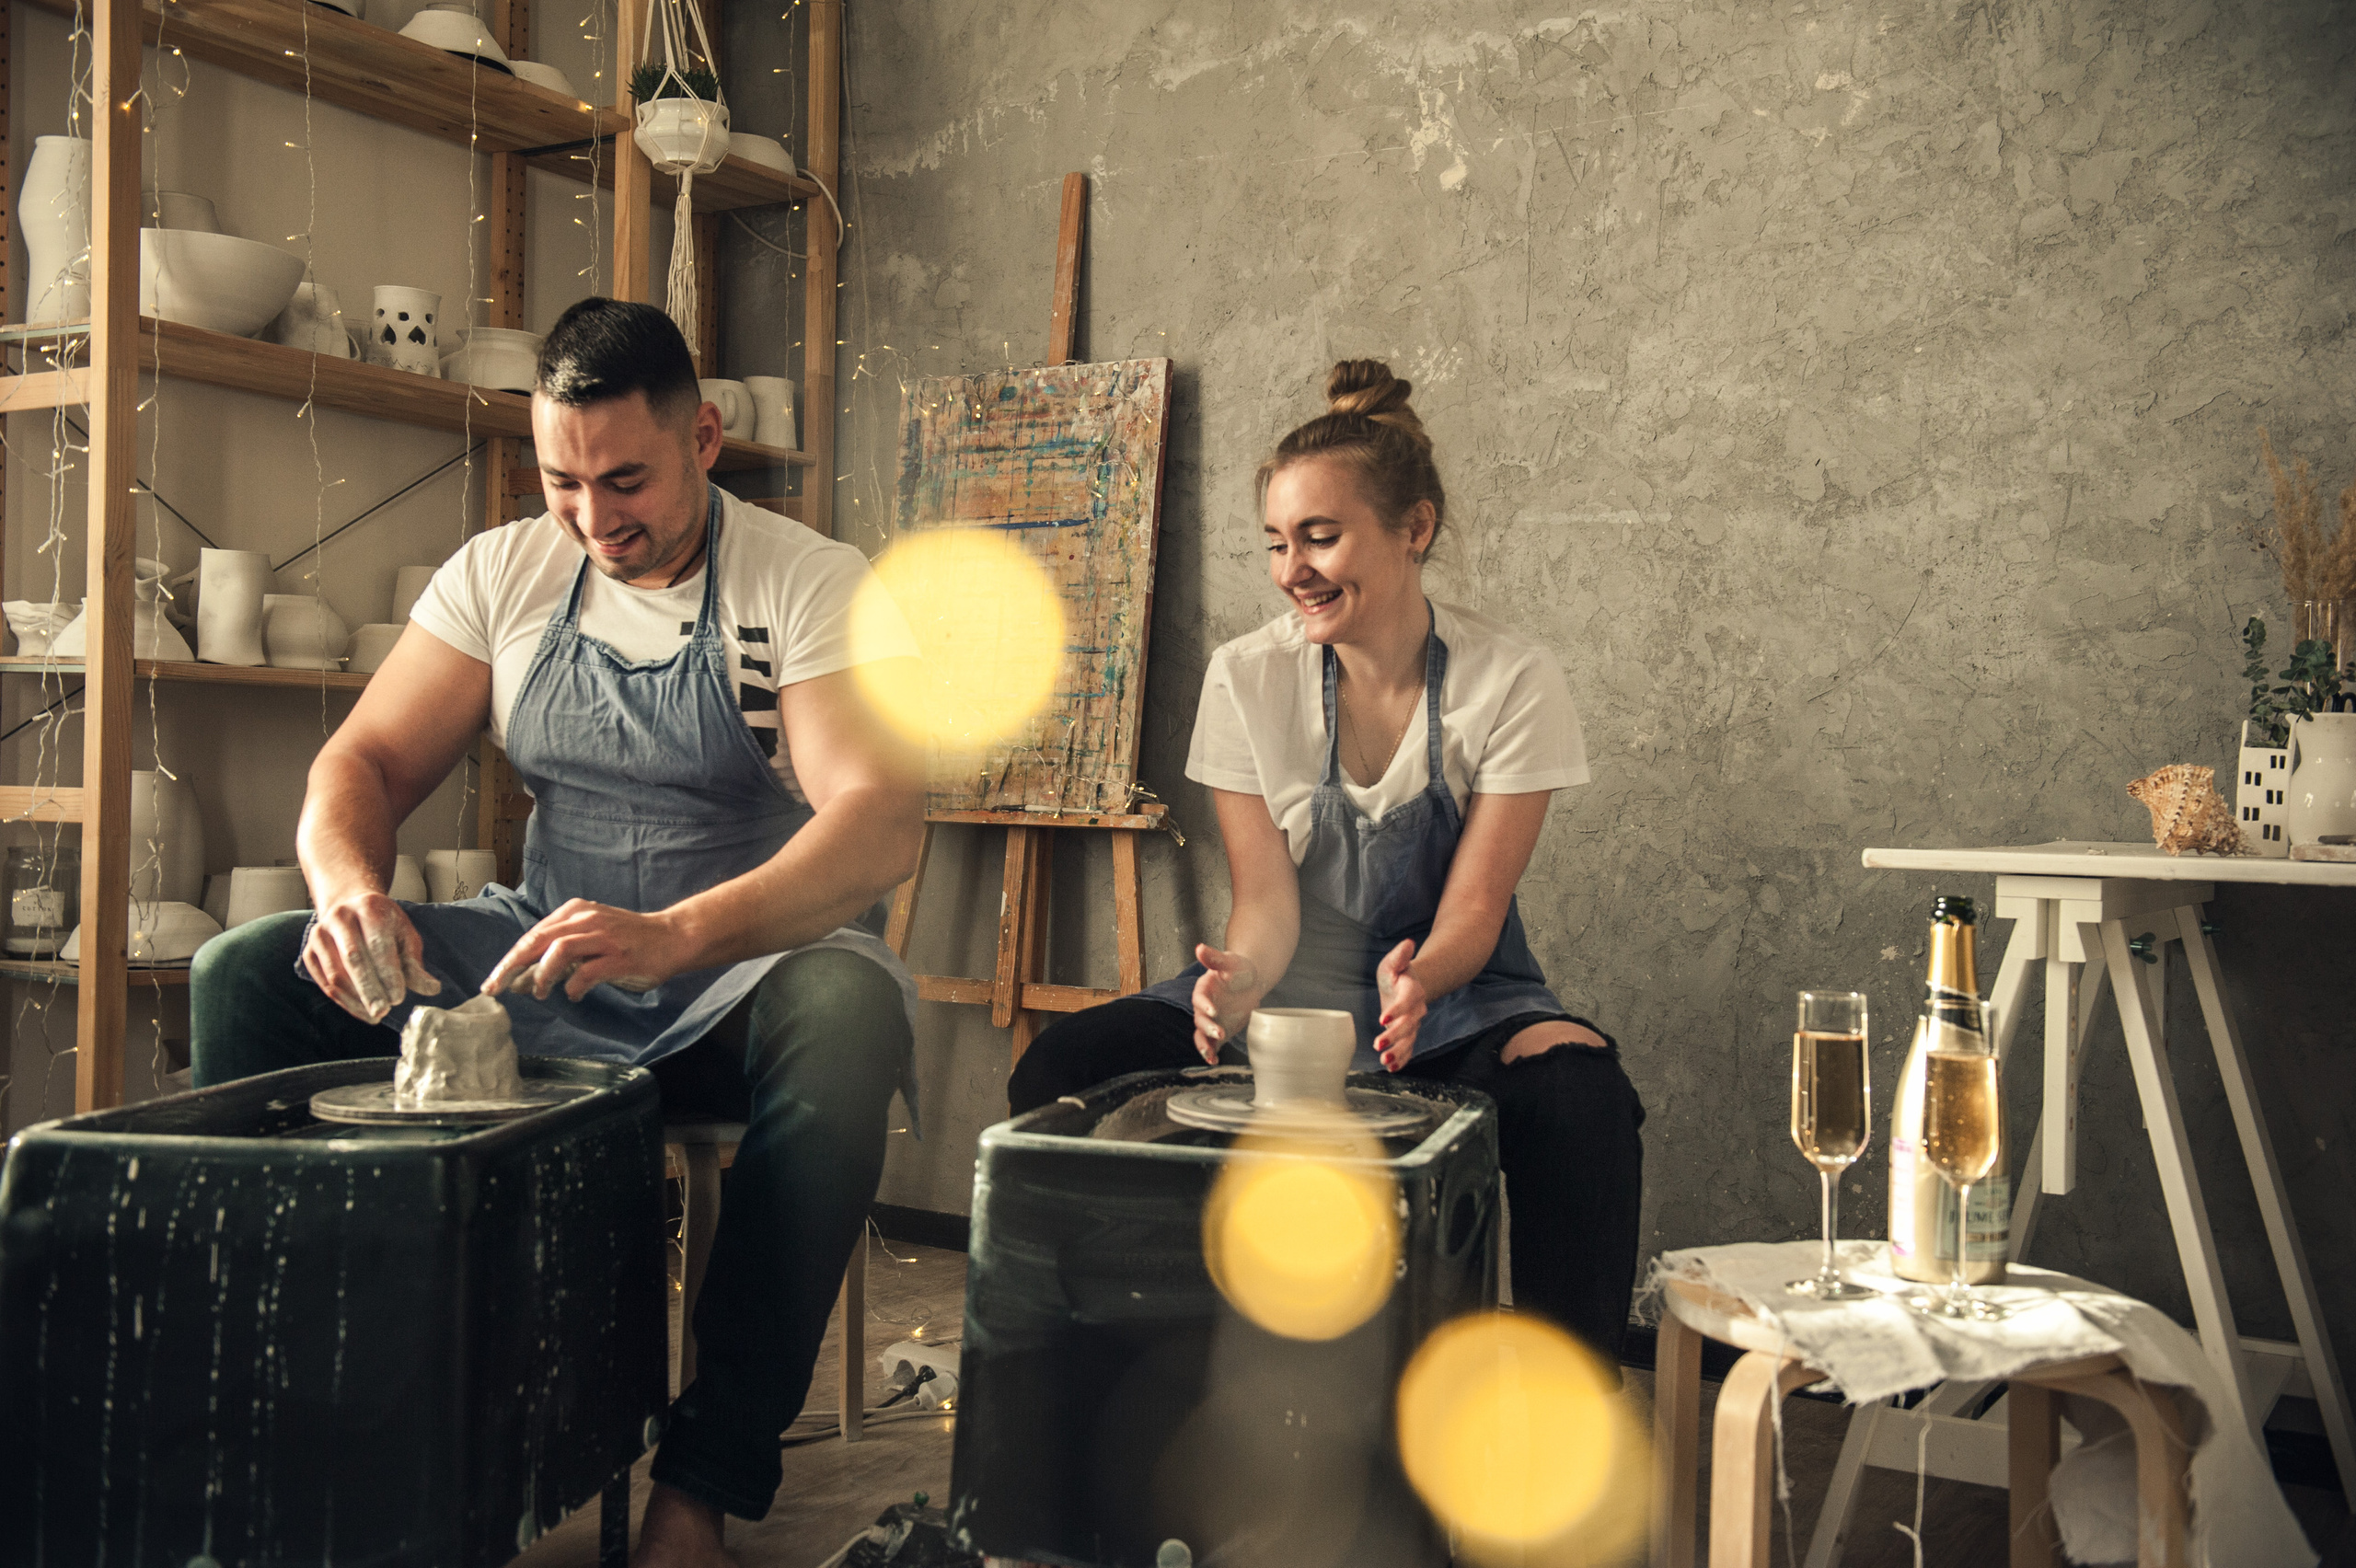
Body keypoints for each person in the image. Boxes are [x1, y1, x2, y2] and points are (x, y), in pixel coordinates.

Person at [191, 298, 923, 1567]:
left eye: (625, 477)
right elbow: (357, 761)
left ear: (704, 437)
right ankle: (304, 1424)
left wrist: (677, 935)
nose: (594, 516)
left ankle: (702, 1482)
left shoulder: (805, 582)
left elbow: (878, 825)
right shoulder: (507, 570)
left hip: (736, 970)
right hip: (546, 957)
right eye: (562, 480)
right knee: (244, 974)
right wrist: (348, 889)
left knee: (849, 1010)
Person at [1008, 361, 1646, 1365]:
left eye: (1319, 536)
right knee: (1065, 1068)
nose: (1290, 568)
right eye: (1275, 542)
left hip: (1450, 995)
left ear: (1415, 530)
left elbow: (1474, 912)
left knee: (1580, 1095)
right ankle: (1132, 1377)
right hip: (1291, 998)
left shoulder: (1510, 680)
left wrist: (1418, 978)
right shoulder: (1246, 677)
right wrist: (1243, 978)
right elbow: (1264, 903)